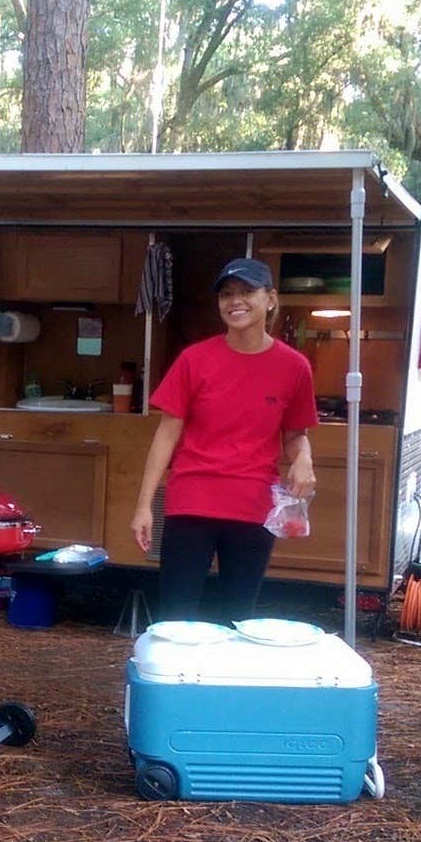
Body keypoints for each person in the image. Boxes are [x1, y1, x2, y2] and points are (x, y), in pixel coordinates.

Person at [131, 257, 318, 623]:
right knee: (175, 617)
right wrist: (143, 506)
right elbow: (166, 434)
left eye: (247, 292)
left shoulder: (294, 367)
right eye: (227, 294)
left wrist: (304, 457)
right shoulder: (194, 360)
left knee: (238, 618)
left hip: (252, 506)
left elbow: (295, 435)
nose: (235, 301)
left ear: (271, 298)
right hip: (191, 503)